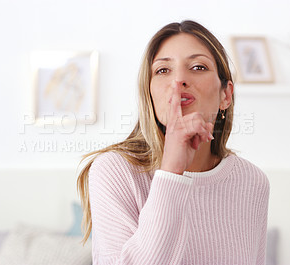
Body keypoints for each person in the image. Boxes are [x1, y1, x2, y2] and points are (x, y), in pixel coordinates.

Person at [77, 20, 270, 265]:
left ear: (226, 95)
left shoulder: (252, 182)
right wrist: (171, 171)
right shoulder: (114, 171)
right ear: (149, 93)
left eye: (198, 67)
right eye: (162, 70)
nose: (179, 79)